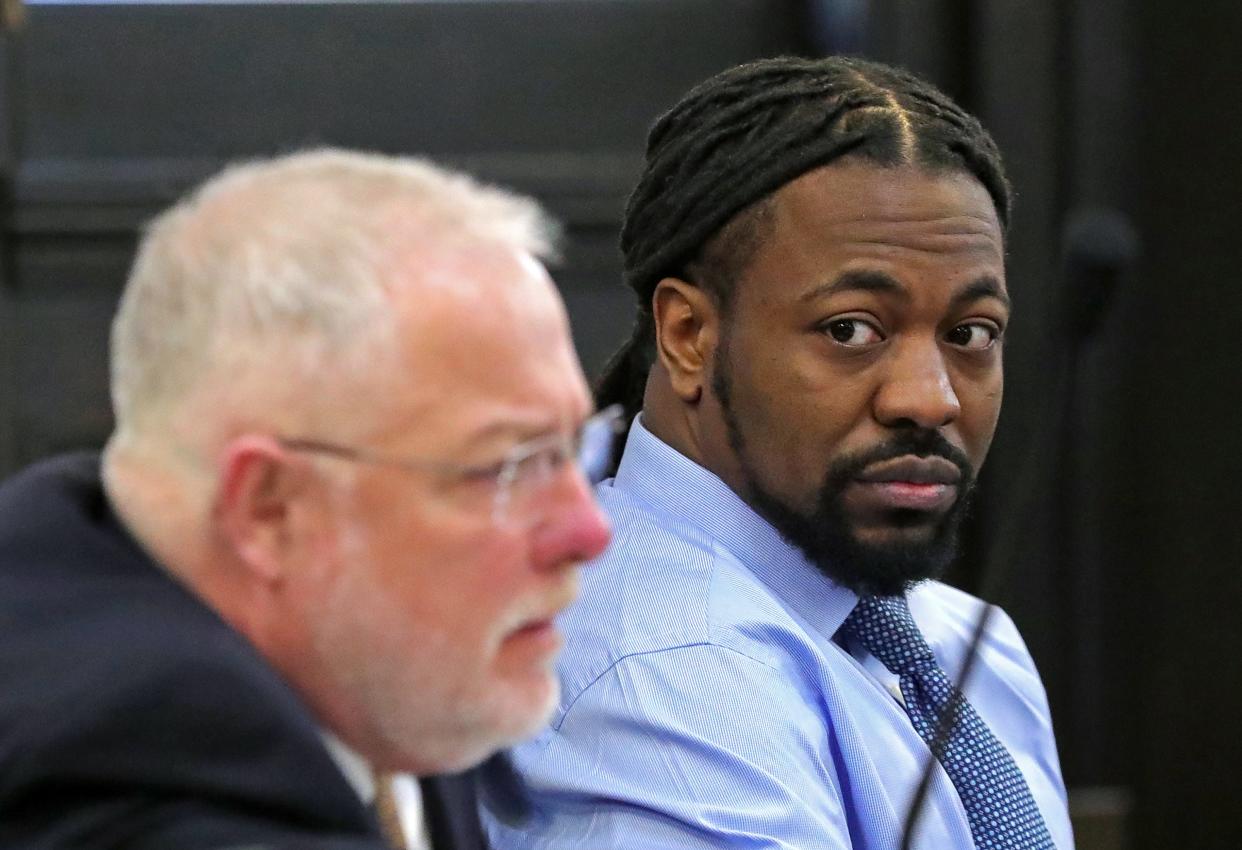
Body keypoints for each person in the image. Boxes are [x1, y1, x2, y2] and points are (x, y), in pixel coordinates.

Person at [483, 57, 1074, 849]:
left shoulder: (964, 641)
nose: (931, 398)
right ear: (689, 337)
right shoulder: (664, 678)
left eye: (970, 335)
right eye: (851, 330)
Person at [0, 149, 613, 850]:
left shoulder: (373, 671)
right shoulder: (132, 783)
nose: (589, 530)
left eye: (574, 450)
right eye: (505, 466)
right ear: (271, 510)